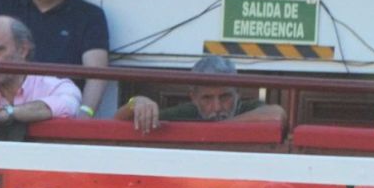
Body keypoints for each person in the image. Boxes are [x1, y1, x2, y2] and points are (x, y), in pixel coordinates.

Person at [116, 54, 286, 132]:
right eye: (207, 98)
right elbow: (116, 122)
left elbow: (278, 114)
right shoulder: (186, 111)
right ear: (194, 98)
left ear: (238, 92)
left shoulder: (250, 108)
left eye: (225, 96)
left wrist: (217, 129)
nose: (217, 107)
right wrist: (137, 101)